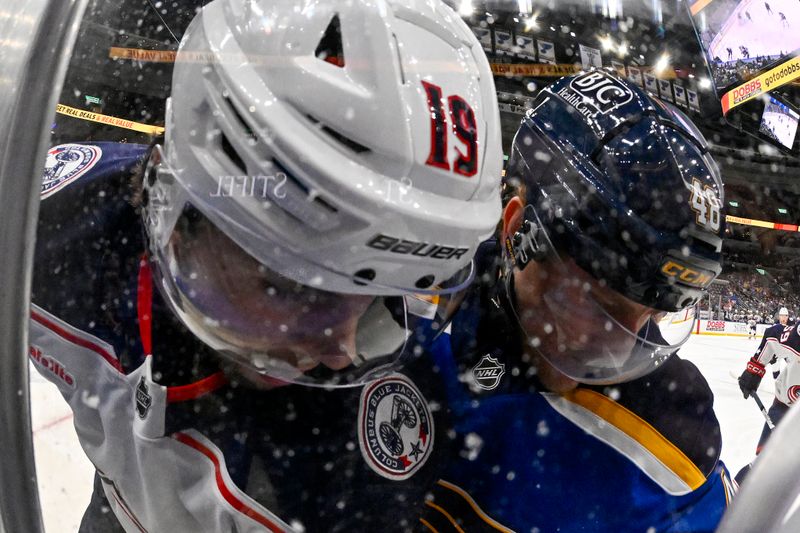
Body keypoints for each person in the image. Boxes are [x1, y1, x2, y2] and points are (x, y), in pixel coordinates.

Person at [29, 0, 503, 531]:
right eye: (295, 284)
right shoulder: (59, 227)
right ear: (176, 214)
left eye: (380, 295)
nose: (341, 351)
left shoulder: (369, 456)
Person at [420, 70, 736, 532]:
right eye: (598, 305)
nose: (619, 349)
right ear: (515, 230)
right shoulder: (403, 308)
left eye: (648, 313)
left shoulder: (673, 438)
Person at [738, 307, 800, 473]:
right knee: (761, 469)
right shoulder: (796, 338)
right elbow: (773, 335)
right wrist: (754, 370)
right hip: (784, 407)